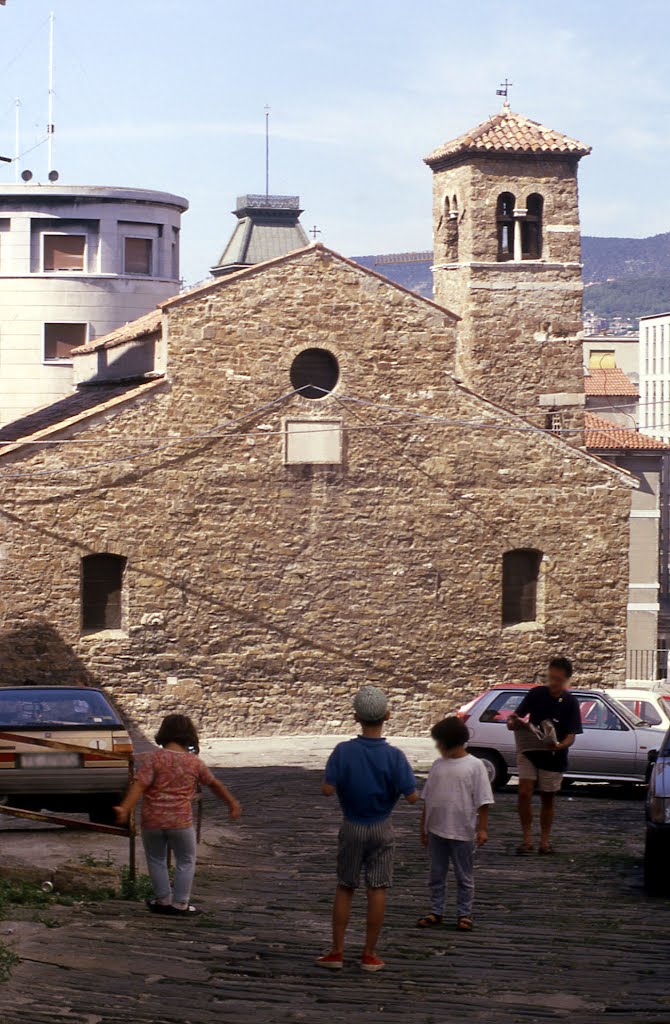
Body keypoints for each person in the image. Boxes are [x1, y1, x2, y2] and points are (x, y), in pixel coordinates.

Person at [316, 685, 419, 972]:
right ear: (387, 715)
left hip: (352, 825)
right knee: (377, 888)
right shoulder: (395, 756)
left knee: (345, 885)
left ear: (355, 717)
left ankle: (337, 951)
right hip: (382, 826)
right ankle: (369, 954)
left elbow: (327, 789)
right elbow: (412, 796)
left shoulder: (343, 751)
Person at [114, 713, 241, 915]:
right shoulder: (194, 763)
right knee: (186, 860)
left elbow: (139, 785)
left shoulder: (154, 758)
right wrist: (231, 803)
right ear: (189, 735)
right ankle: (181, 903)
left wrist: (125, 808)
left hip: (152, 820)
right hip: (180, 821)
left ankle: (162, 900)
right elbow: (214, 784)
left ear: (163, 734)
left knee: (156, 859)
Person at [417, 716, 493, 932]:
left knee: (464, 875)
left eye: (440, 742)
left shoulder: (475, 766)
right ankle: (436, 910)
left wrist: (483, 828)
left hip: (462, 831)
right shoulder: (437, 765)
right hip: (436, 829)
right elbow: (428, 798)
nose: (438, 747)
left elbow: (483, 800)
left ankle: (464, 912)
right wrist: (424, 827)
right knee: (436, 873)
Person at [507, 656, 582, 855]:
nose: (552, 683)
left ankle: (545, 841)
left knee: (547, 798)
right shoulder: (536, 693)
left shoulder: (570, 702)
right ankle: (527, 839)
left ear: (566, 680)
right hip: (529, 750)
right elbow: (517, 715)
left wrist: (559, 745)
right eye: (550, 677)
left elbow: (571, 735)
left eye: (557, 679)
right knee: (524, 792)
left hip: (553, 754)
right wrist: (512, 722)